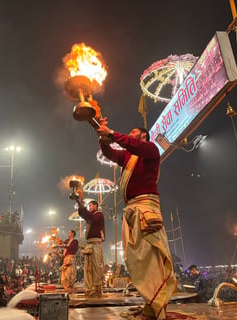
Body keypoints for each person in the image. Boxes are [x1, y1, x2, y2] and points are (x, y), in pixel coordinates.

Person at [96, 122, 176, 319]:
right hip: (132, 211)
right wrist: (101, 136)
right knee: (135, 259)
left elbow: (132, 145)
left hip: (145, 210)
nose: (129, 135)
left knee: (149, 257)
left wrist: (113, 133)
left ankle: (156, 306)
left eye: (133, 132)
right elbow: (110, 154)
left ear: (143, 136)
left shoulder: (150, 149)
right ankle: (151, 304)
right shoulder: (129, 157)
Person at [73, 197, 105, 298]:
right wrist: (79, 204)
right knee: (88, 268)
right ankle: (90, 288)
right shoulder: (91, 216)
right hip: (90, 244)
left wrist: (82, 206)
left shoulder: (98, 214)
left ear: (95, 206)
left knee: (96, 267)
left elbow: (90, 217)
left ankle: (97, 289)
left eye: (90, 205)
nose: (89, 207)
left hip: (96, 244)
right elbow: (83, 214)